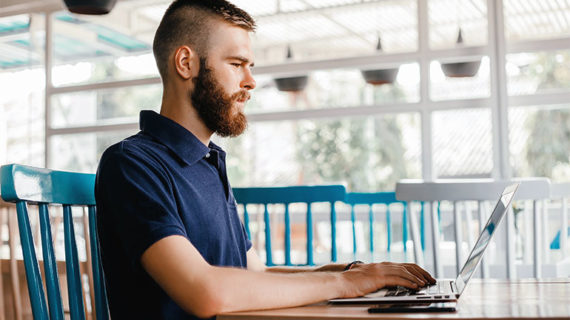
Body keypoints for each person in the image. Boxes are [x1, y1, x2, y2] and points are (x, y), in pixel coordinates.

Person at [94, 0, 436, 319]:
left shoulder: (209, 161)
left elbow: (254, 273)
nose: (251, 80)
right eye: (236, 64)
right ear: (186, 63)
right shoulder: (131, 164)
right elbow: (205, 291)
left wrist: (350, 272)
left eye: (250, 66)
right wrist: (345, 285)